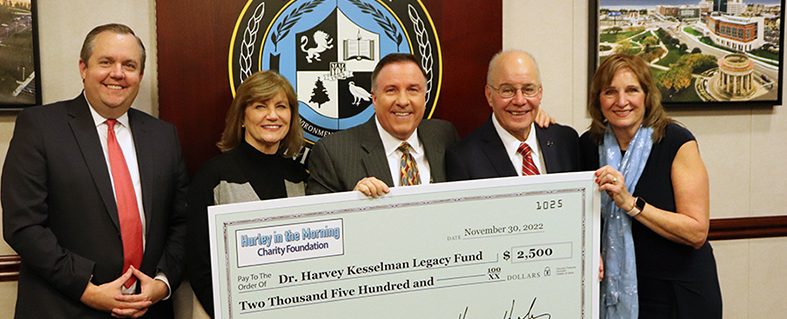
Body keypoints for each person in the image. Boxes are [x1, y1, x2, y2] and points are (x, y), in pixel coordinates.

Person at [1, 23, 188, 318]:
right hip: (64, 306)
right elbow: (23, 226)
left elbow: (181, 222)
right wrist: (88, 291)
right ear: (83, 68)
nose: (117, 73)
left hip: (147, 310)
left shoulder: (163, 136)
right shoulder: (40, 127)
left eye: (129, 65)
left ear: (140, 75)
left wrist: (162, 285)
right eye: (106, 62)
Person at [581, 54, 721, 319]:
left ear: (647, 95)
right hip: (613, 292)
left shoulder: (676, 142)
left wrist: (631, 204)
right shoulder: (587, 146)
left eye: (632, 90)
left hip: (679, 293)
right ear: (598, 100)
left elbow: (697, 232)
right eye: (610, 92)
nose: (621, 101)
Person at [186, 70, 307, 318]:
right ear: (242, 116)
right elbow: (199, 265)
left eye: (281, 106)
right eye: (260, 106)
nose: (272, 115)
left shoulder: (299, 177)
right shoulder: (213, 176)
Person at [305, 53, 460, 196]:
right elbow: (320, 222)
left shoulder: (444, 135)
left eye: (413, 90)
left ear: (424, 98)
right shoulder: (333, 153)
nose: (403, 101)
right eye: (391, 90)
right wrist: (352, 203)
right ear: (375, 98)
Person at [446, 50, 579, 180]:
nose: (520, 101)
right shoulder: (465, 159)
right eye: (508, 90)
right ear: (489, 95)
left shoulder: (566, 142)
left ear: (540, 92)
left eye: (528, 90)